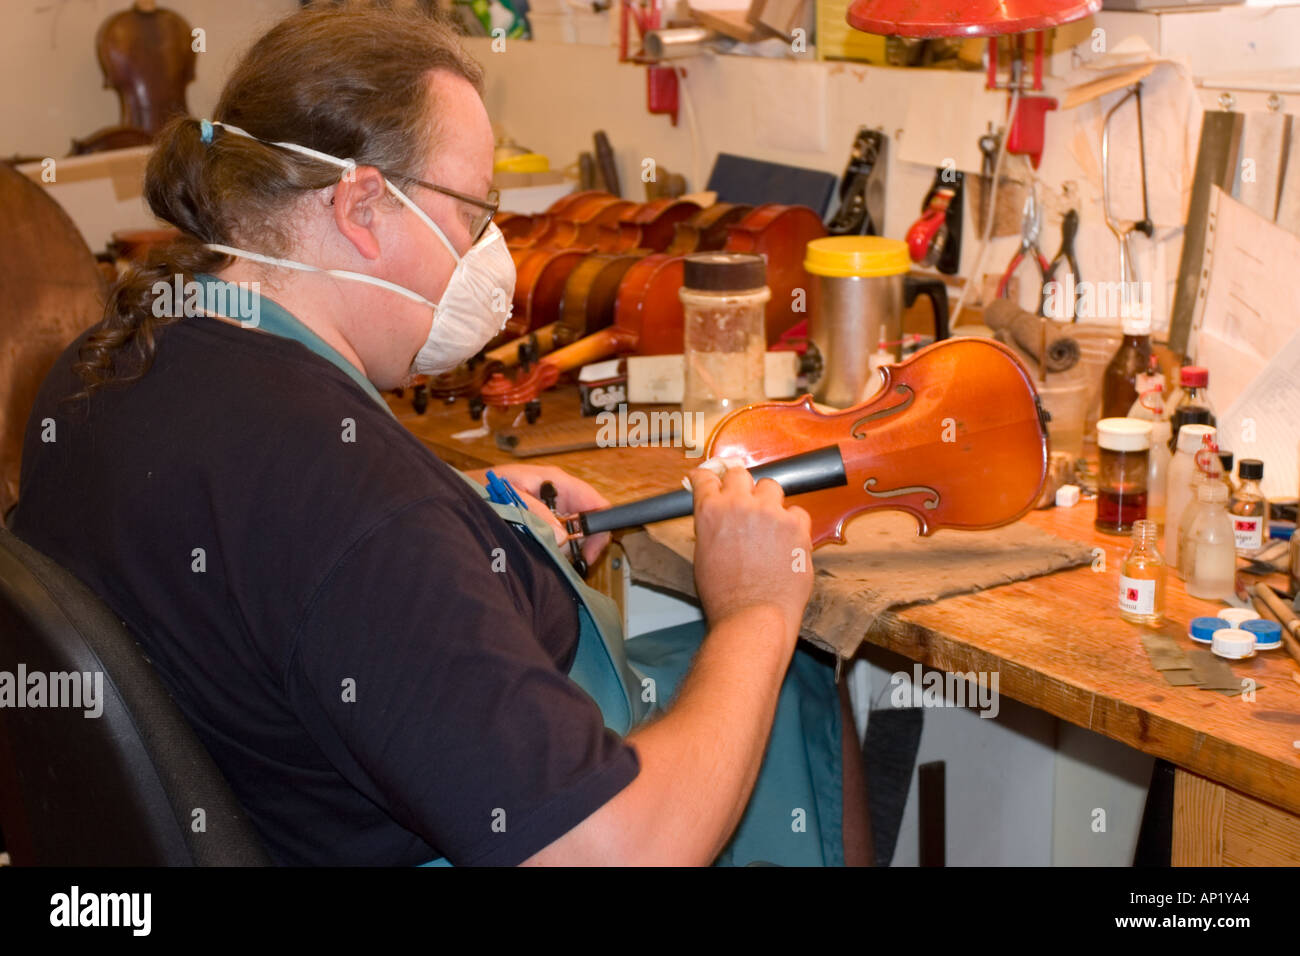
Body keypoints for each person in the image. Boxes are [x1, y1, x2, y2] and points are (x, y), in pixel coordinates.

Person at [13, 5, 866, 865]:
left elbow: (257, 538)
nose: (486, 250)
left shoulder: (107, 362)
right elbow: (615, 852)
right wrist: (756, 608)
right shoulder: (351, 504)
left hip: (279, 805)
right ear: (360, 206)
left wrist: (465, 521)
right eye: (470, 212)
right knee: (789, 686)